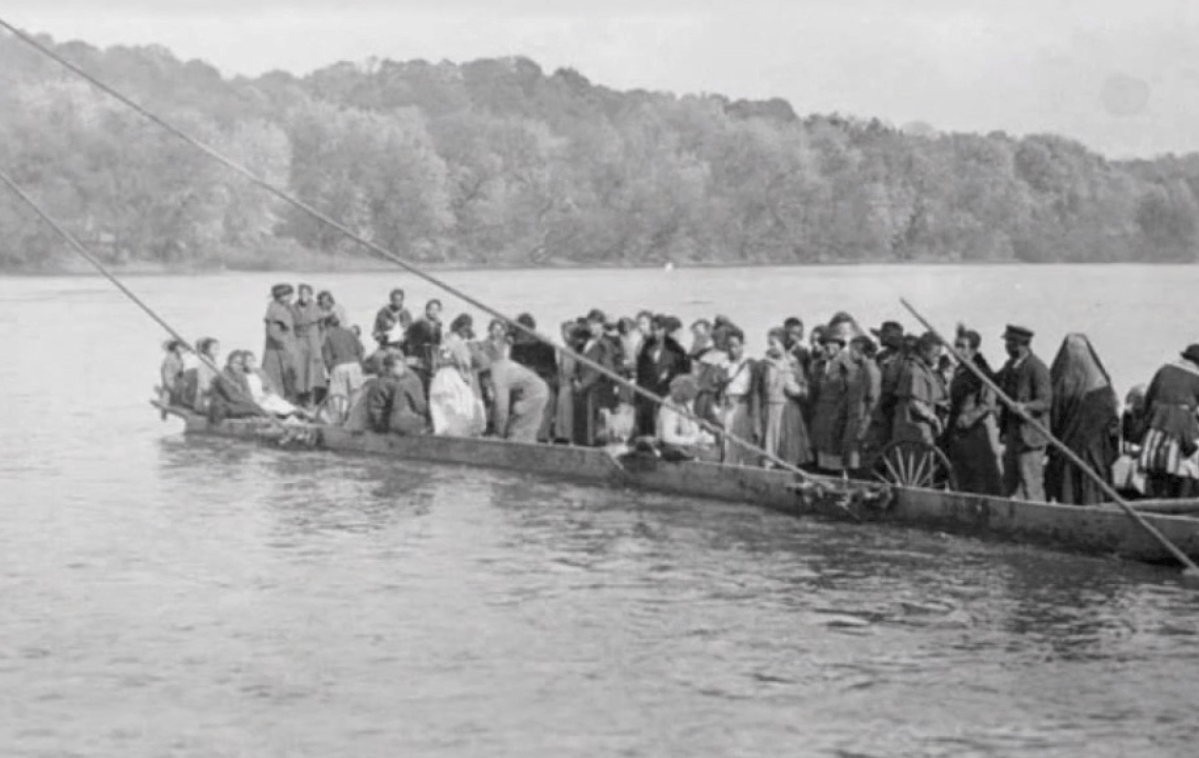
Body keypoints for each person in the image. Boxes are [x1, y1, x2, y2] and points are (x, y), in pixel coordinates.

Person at [1045, 334, 1120, 505]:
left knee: (1069, 487)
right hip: (1094, 451)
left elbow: (1053, 417)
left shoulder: (1059, 382)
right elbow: (1113, 423)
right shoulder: (1103, 386)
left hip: (1070, 448)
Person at [996, 324, 1053, 502]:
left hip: (1031, 436)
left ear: (1021, 344)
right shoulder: (1010, 366)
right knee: (1009, 483)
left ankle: (1038, 522)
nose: (1006, 346)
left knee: (1031, 484)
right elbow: (994, 381)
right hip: (1013, 435)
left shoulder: (1037, 368)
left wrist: (1025, 407)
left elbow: (1045, 401)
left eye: (1010, 342)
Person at [945, 327, 1003, 496]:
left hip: (976, 431)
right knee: (961, 472)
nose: (958, 350)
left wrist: (967, 419)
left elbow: (987, 403)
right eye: (956, 345)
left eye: (962, 346)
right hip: (958, 430)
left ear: (973, 350)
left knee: (979, 474)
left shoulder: (981, 373)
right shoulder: (960, 370)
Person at [1138, 344, 1199, 498]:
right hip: (1183, 437)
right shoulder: (1196, 378)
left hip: (1154, 434)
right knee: (1187, 478)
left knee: (1157, 485)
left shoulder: (1164, 370)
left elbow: (1146, 403)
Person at [754, 327, 812, 468]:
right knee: (768, 448)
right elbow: (756, 393)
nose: (771, 347)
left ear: (783, 343)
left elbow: (805, 390)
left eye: (773, 343)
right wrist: (756, 419)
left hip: (787, 410)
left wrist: (796, 389)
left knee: (787, 449)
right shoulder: (763, 365)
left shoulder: (793, 363)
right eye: (769, 344)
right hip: (768, 411)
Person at [809, 323, 862, 472]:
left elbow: (850, 391)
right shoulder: (821, 364)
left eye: (831, 344)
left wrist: (840, 412)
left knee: (835, 449)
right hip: (822, 412)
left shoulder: (846, 364)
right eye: (825, 344)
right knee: (822, 448)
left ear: (839, 345)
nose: (827, 347)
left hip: (837, 412)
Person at [634, 314, 690, 436]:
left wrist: (669, 376)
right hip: (647, 395)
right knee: (647, 426)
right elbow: (641, 373)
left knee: (665, 426)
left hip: (666, 395)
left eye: (658, 329)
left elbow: (683, 373)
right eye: (653, 329)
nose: (655, 333)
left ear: (664, 330)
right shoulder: (646, 347)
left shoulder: (676, 350)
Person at [509, 313, 560, 442]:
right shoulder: (516, 347)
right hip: (521, 386)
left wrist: (536, 370)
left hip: (542, 383)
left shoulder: (546, 346)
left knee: (546, 402)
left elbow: (552, 369)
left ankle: (541, 437)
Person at [573, 309, 619, 446]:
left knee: (593, 427)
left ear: (602, 325)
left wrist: (583, 384)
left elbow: (600, 370)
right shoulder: (584, 343)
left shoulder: (605, 345)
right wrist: (576, 379)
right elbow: (578, 364)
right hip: (582, 388)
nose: (592, 327)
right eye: (590, 324)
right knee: (581, 424)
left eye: (595, 324)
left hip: (595, 390)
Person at [891, 332, 946, 446]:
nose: (937, 359)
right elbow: (914, 402)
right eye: (935, 354)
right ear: (923, 351)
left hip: (920, 427)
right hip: (913, 426)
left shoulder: (925, 370)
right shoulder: (915, 370)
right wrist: (933, 418)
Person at [484, 357, 550, 443]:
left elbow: (501, 408)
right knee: (526, 433)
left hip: (534, 393)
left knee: (518, 432)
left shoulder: (497, 378)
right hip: (538, 390)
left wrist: (498, 433)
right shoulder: (498, 366)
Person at [717, 330, 757, 466]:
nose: (731, 349)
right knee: (726, 440)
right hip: (726, 405)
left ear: (742, 345)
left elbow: (754, 389)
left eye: (734, 345)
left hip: (743, 407)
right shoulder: (723, 364)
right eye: (728, 346)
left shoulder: (750, 364)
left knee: (743, 441)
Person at [657, 374, 717, 460]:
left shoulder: (686, 403)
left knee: (711, 446)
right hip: (673, 449)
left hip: (689, 444)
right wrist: (692, 440)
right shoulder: (669, 405)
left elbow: (690, 423)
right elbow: (668, 437)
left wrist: (701, 426)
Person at [367, 353, 428, 436]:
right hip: (405, 425)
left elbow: (375, 410)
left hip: (388, 427)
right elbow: (420, 406)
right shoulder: (409, 381)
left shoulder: (380, 382)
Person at [321, 314, 366, 424]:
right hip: (354, 365)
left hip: (339, 366)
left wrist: (331, 369)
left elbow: (327, 357)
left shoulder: (329, 336)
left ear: (328, 325)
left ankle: (339, 421)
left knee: (337, 396)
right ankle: (356, 419)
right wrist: (359, 364)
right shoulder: (350, 333)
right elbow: (361, 350)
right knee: (356, 394)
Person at [291, 284, 327, 408]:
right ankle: (299, 400)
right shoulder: (292, 308)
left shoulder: (316, 308)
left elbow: (323, 328)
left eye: (306, 293)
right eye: (301, 293)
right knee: (299, 372)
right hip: (298, 342)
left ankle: (312, 401)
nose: (303, 295)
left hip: (313, 342)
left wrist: (319, 343)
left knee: (313, 373)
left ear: (310, 294)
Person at [242, 351, 307, 418]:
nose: (251, 363)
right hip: (256, 400)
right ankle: (285, 415)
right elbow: (244, 392)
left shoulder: (259, 372)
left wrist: (268, 394)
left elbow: (269, 385)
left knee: (280, 402)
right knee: (268, 408)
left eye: (252, 361)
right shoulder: (242, 376)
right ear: (243, 363)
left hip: (266, 396)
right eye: (248, 361)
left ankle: (298, 413)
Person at [262, 283, 297, 401]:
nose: (290, 298)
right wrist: (285, 345)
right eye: (288, 295)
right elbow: (273, 333)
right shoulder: (275, 309)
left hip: (283, 349)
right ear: (280, 296)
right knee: (277, 378)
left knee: (285, 378)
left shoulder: (282, 307)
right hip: (278, 351)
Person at [207, 351, 263, 424]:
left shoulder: (241, 376)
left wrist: (251, 402)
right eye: (236, 363)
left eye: (241, 364)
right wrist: (249, 403)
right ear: (229, 363)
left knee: (256, 408)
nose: (238, 366)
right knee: (253, 409)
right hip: (223, 406)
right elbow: (232, 396)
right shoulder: (223, 376)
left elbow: (248, 393)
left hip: (236, 404)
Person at [554, 320, 585, 444]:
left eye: (564, 333)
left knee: (565, 412)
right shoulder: (575, 349)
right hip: (566, 384)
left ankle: (565, 435)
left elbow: (567, 369)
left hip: (566, 385)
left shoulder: (568, 350)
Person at [404, 299, 444, 384]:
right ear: (426, 309)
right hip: (419, 357)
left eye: (436, 310)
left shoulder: (437, 325)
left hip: (431, 358)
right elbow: (409, 341)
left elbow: (438, 342)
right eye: (431, 309)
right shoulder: (419, 324)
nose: (434, 312)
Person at [158, 339, 188, 412]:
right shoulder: (170, 358)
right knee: (167, 392)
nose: (184, 350)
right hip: (170, 379)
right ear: (175, 348)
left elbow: (180, 368)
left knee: (179, 391)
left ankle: (177, 404)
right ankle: (164, 407)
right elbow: (167, 373)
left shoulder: (178, 357)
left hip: (177, 379)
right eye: (182, 348)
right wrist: (170, 383)